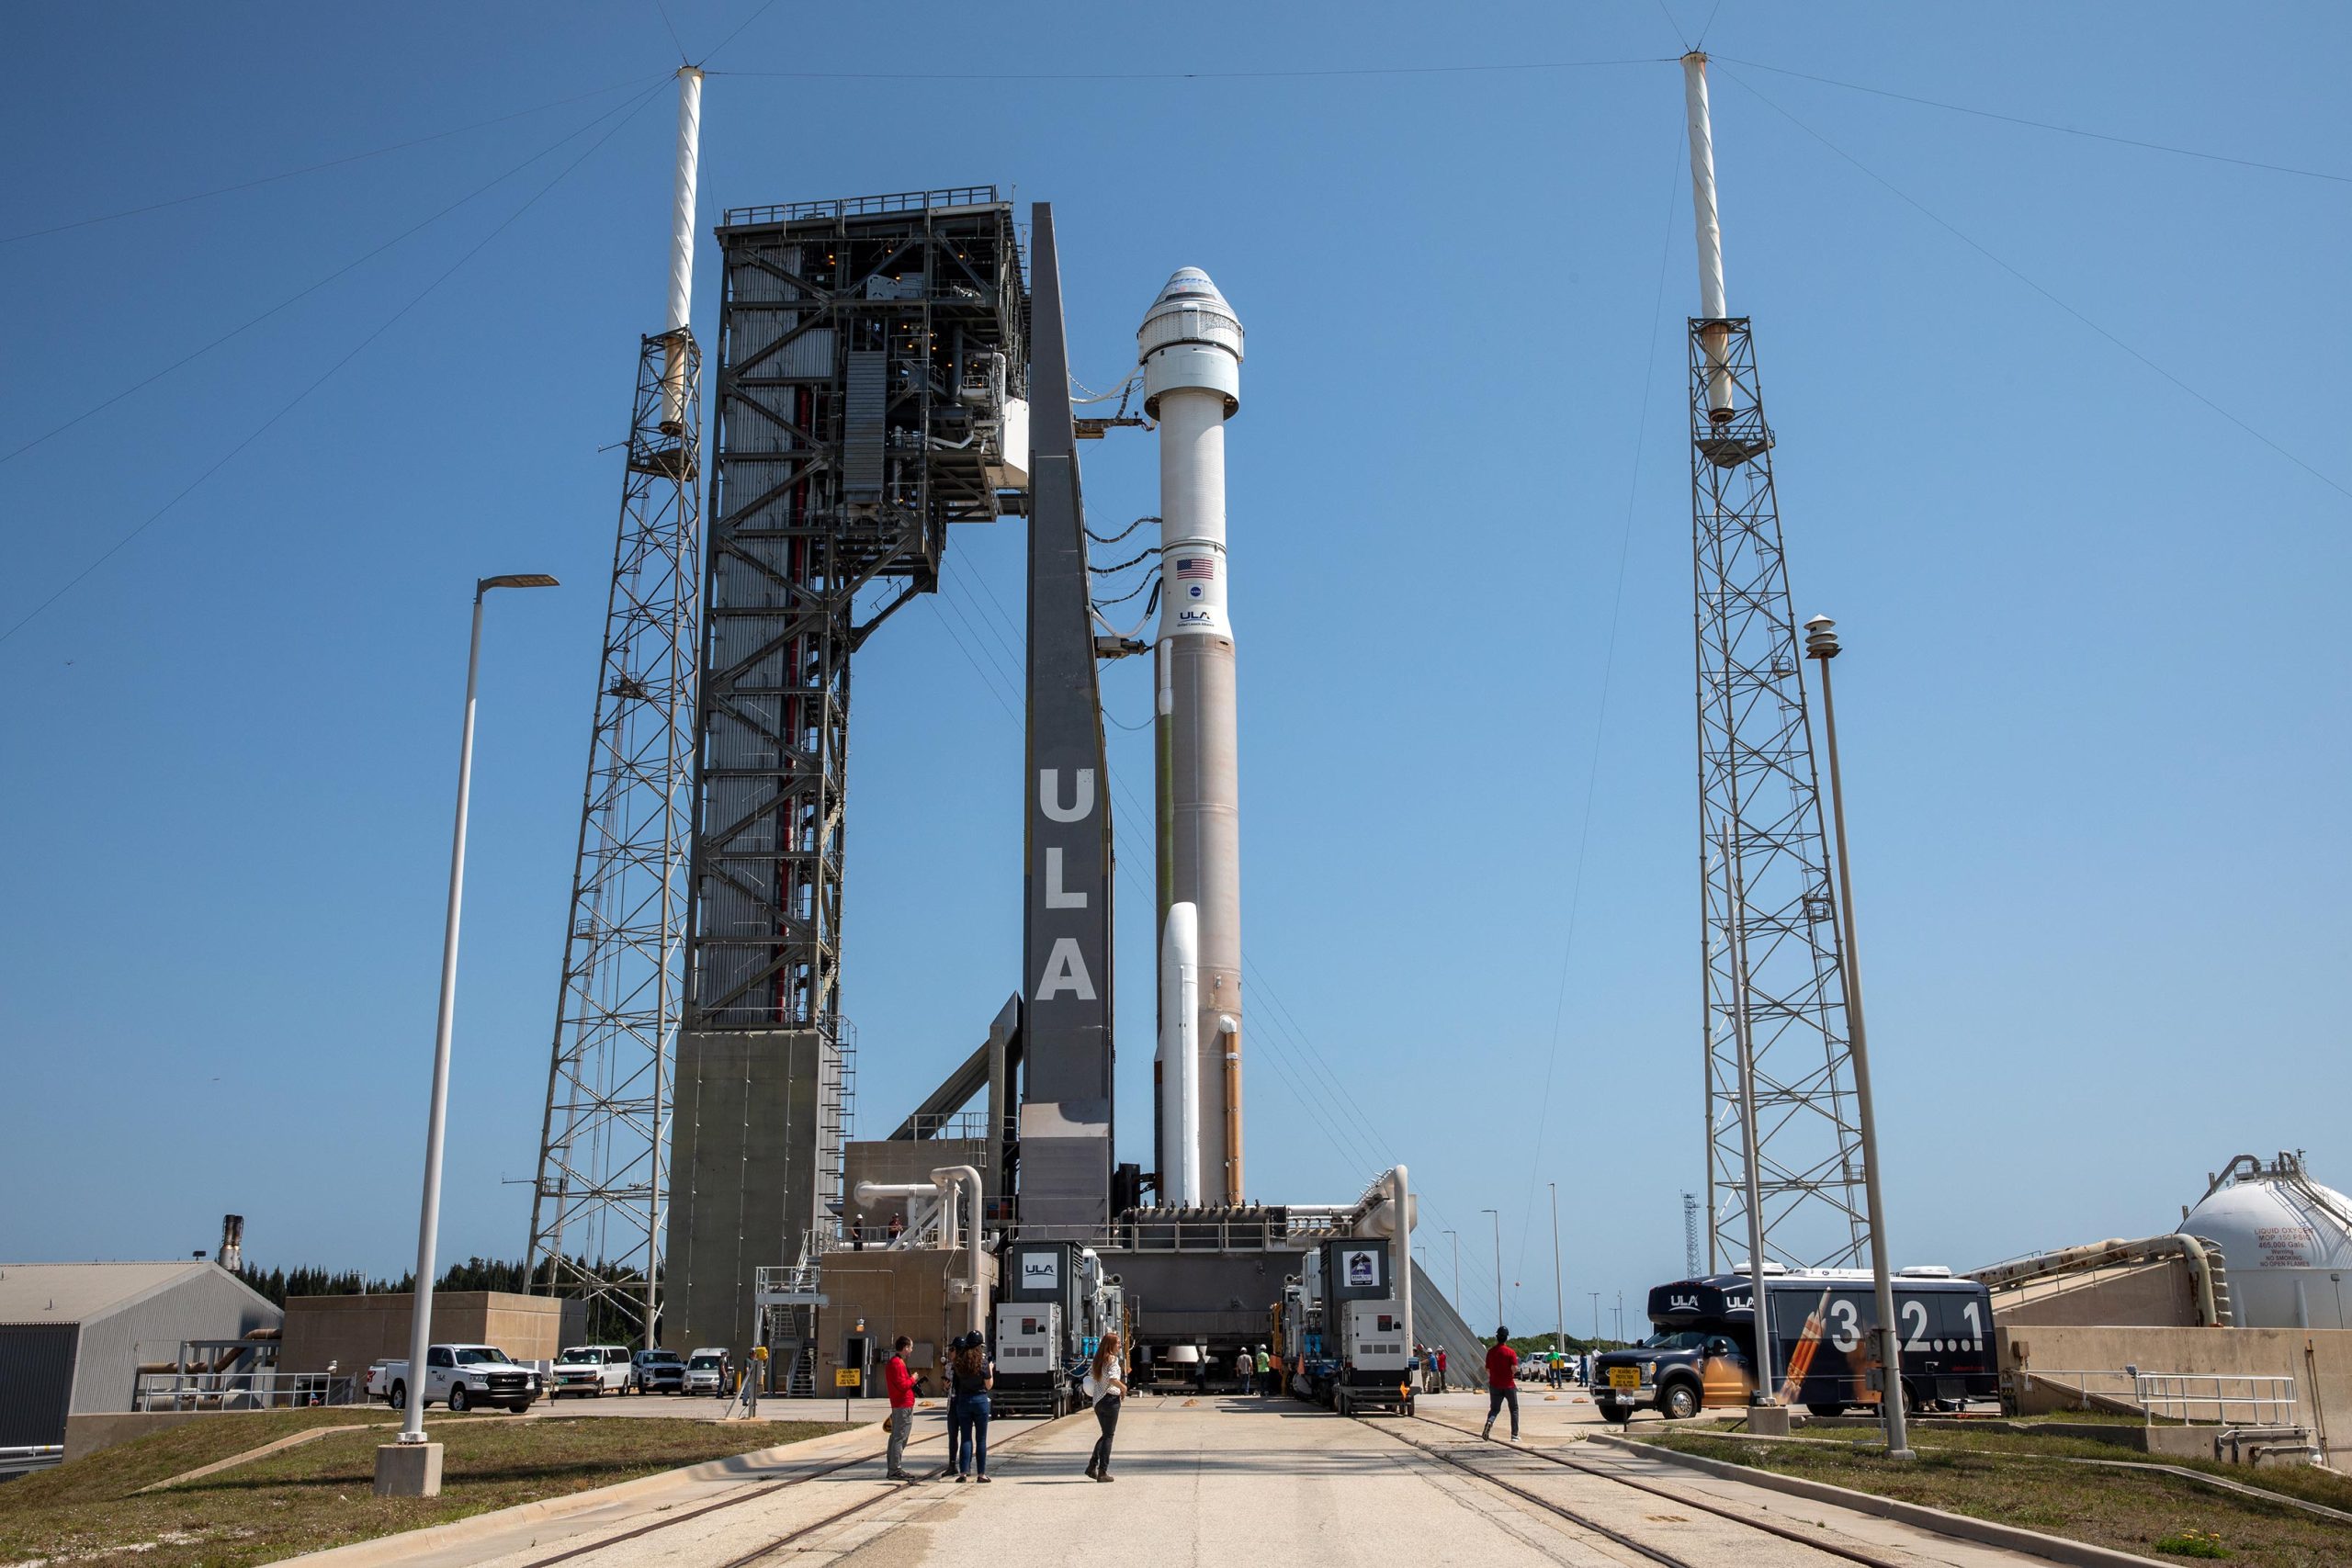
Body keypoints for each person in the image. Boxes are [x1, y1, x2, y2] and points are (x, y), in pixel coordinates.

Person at [947, 1332, 994, 1483]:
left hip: (964, 1401)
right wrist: (991, 1369)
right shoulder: (983, 1362)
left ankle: (963, 1473)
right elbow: (989, 1385)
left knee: (966, 1438)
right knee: (981, 1439)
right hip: (980, 1400)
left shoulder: (960, 1361)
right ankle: (981, 1474)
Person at [1083, 1331, 1127, 1481]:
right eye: (1118, 1343)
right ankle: (1102, 1472)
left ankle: (1091, 1466)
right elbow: (1113, 1379)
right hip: (1110, 1401)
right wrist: (1123, 1388)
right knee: (1109, 1436)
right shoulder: (1113, 1360)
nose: (1120, 1345)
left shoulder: (1098, 1360)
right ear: (1111, 1345)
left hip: (1098, 1401)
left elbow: (1092, 1376)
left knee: (1105, 1434)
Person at [883, 1335, 918, 1479]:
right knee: (900, 1437)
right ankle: (895, 1469)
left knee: (896, 1437)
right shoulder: (897, 1364)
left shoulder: (897, 1362)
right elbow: (903, 1385)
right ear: (905, 1348)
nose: (911, 1351)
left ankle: (893, 1468)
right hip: (902, 1405)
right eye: (910, 1348)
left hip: (901, 1404)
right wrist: (913, 1379)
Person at [1483, 1327, 1521, 1441]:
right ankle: (1514, 1435)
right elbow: (1514, 1368)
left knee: (1494, 1409)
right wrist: (1512, 1372)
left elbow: (1487, 1369)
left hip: (1494, 1385)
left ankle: (1490, 1421)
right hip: (1509, 1385)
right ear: (1506, 1337)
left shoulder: (1491, 1352)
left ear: (1497, 1337)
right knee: (1514, 1409)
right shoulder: (1510, 1352)